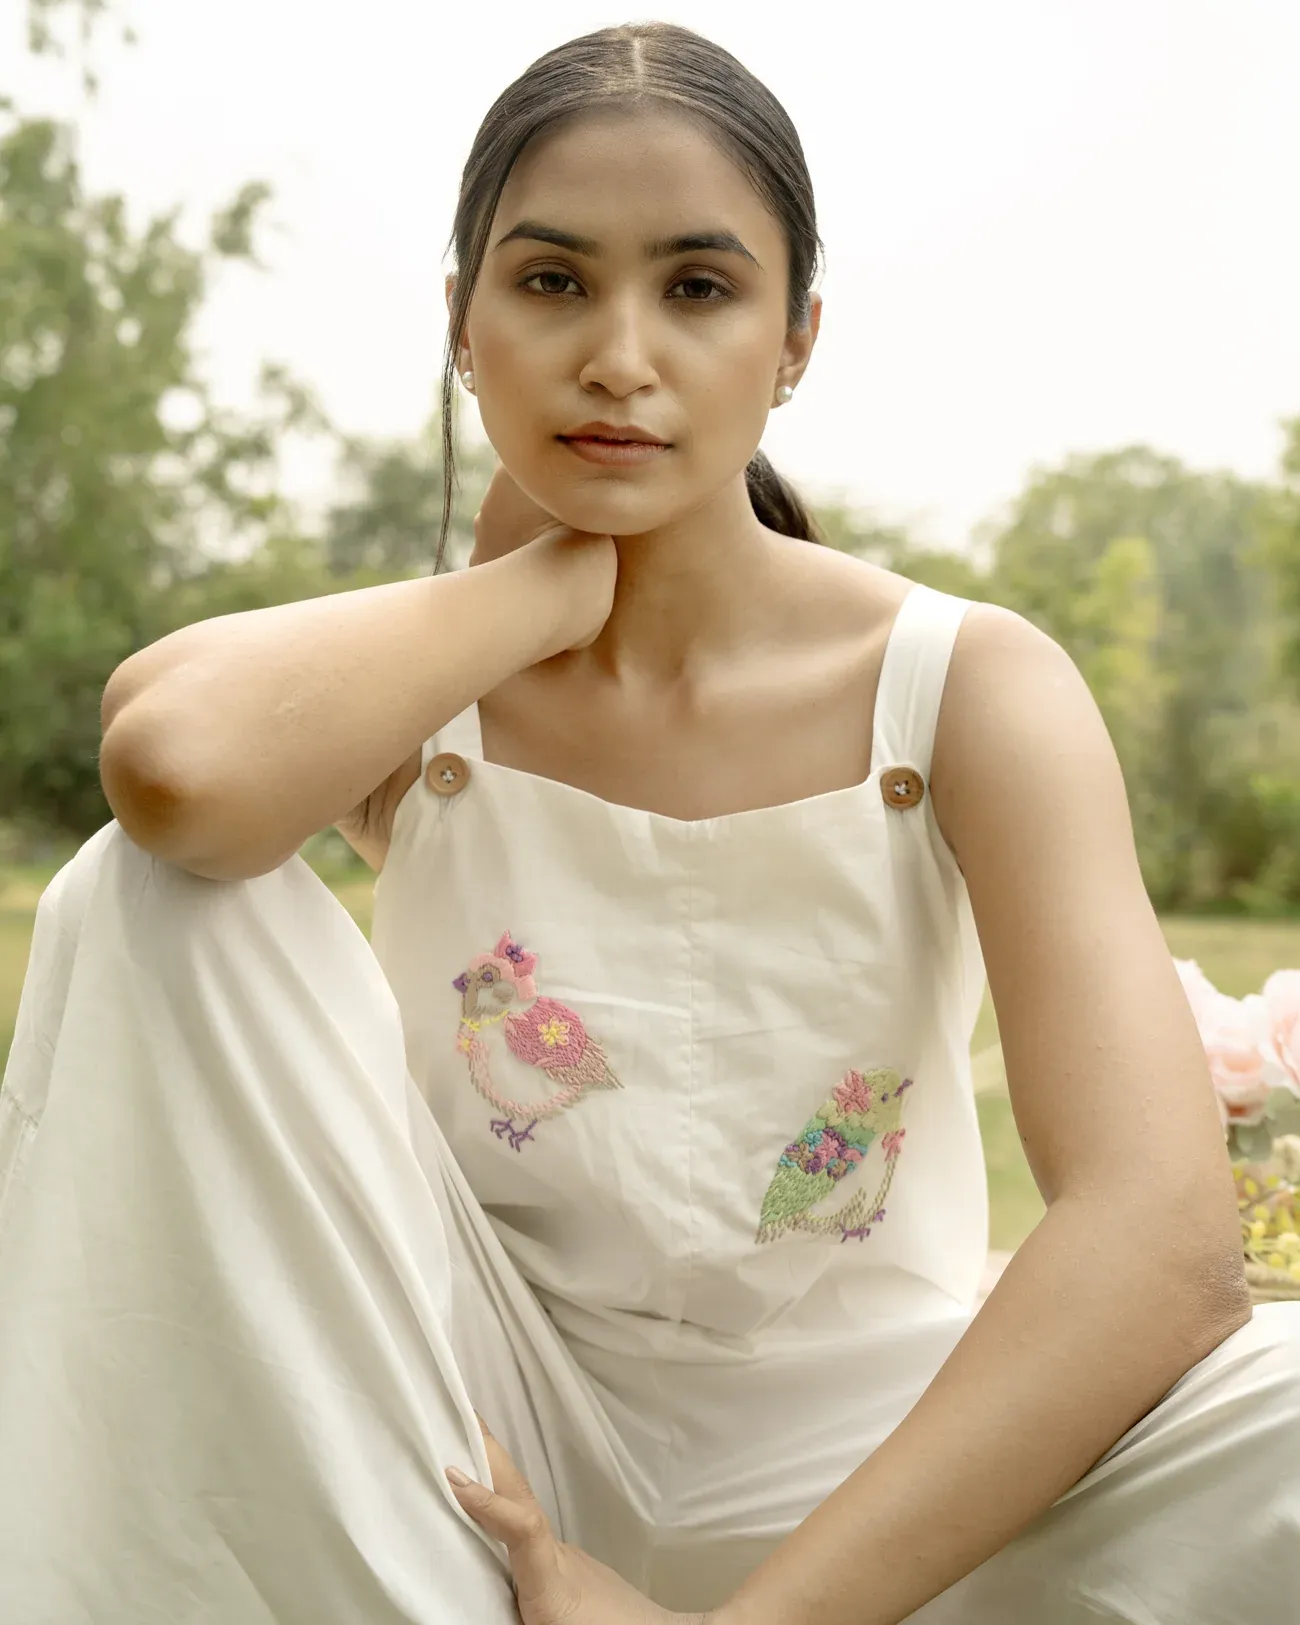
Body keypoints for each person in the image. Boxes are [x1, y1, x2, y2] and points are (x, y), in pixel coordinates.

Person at [1, 19, 1297, 1625]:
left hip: (880, 1441)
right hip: (467, 1423)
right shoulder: (421, 688)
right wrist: (545, 587)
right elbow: (176, 774)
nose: (620, 356)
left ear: (796, 338)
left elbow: (1163, 1239)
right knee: (149, 896)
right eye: (552, 282)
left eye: (696, 288)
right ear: (463, 325)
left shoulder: (965, 685)